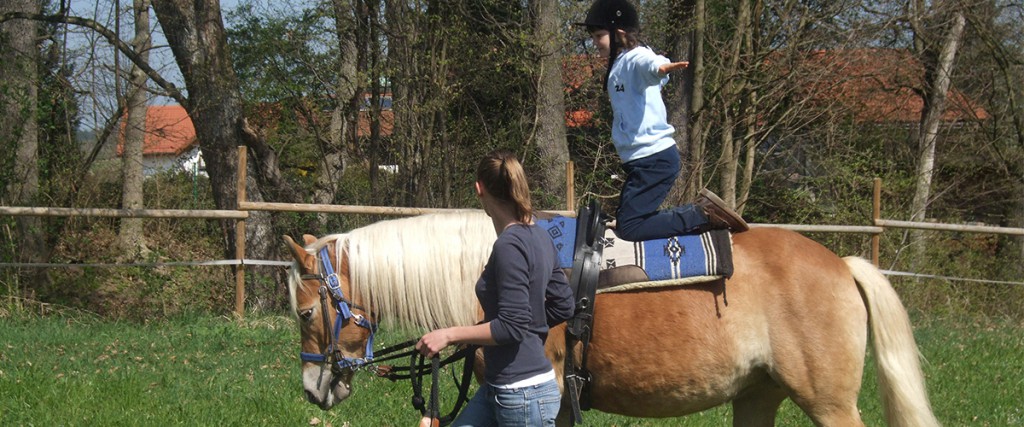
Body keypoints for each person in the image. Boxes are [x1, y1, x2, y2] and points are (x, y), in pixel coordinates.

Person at [416, 150, 575, 427]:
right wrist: (517, 325)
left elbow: (512, 326)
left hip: (521, 395)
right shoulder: (540, 235)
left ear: (479, 189)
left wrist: (449, 335)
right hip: (505, 387)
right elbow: (563, 305)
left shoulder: (508, 246)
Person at [579, 0, 749, 242]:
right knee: (628, 220)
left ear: (618, 34)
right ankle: (696, 215)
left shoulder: (634, 58)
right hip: (644, 161)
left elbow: (648, 63)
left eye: (598, 36)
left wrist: (660, 68)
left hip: (653, 160)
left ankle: (701, 214)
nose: (594, 42)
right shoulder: (619, 64)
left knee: (629, 227)